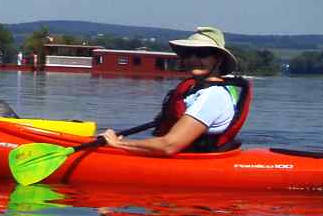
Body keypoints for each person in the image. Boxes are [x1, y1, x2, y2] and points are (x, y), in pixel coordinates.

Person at [101, 26, 245, 156]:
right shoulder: (197, 90)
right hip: (185, 156)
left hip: (192, 164)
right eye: (188, 53)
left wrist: (118, 144)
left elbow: (169, 146)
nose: (193, 59)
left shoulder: (212, 96)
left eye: (202, 53)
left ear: (218, 59)